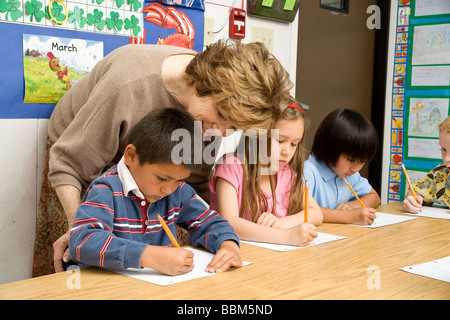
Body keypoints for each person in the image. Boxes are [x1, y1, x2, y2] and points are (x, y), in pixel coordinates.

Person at [33, 39, 293, 276]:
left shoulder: (208, 122)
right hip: (75, 160)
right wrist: (77, 225)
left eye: (234, 128)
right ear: (206, 86)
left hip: (145, 173)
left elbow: (195, 190)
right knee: (79, 260)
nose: (222, 133)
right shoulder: (129, 81)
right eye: (223, 118)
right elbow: (69, 165)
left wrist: (224, 241)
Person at [69, 108, 242, 274]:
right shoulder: (106, 190)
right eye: (161, 178)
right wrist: (148, 255)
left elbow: (211, 223)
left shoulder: (178, 192)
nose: (168, 189)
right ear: (131, 156)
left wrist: (228, 245)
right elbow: (82, 242)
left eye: (178, 180)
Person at [209, 102, 322, 246]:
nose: (287, 151)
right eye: (280, 140)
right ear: (258, 135)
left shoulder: (286, 173)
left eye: (294, 144)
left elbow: (316, 213)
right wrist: (285, 236)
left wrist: (279, 223)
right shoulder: (231, 167)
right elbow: (230, 222)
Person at [304, 108, 380, 225]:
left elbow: (374, 197)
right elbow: (303, 211)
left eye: (362, 161)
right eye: (350, 159)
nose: (355, 168)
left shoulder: (349, 174)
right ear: (330, 148)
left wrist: (352, 205)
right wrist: (349, 216)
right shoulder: (308, 172)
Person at [403, 116, 450, 213]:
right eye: (444, 149)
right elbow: (415, 192)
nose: (446, 159)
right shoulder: (440, 174)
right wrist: (412, 201)